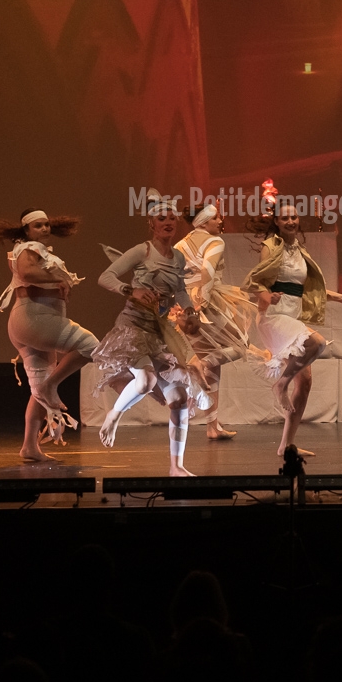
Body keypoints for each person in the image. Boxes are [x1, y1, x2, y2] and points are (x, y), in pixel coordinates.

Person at [93, 191, 208, 475]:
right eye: (161, 218)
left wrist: (190, 310)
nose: (168, 222)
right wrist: (130, 290)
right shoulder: (142, 251)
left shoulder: (178, 257)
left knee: (179, 399)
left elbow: (179, 290)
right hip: (133, 328)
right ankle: (114, 415)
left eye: (172, 218)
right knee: (146, 380)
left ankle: (176, 467)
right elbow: (105, 277)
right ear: (152, 224)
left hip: (159, 332)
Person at [244, 200, 342, 458]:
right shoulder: (270, 246)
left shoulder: (300, 250)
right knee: (317, 342)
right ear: (276, 222)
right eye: (285, 218)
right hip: (273, 316)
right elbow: (256, 281)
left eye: (294, 217)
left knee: (305, 382)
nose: (291, 222)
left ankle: (286, 445)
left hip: (291, 317)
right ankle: (280, 384)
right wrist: (268, 296)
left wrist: (339, 297)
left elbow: (306, 289)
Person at [0, 208, 95, 461]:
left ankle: (29, 447)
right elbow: (26, 273)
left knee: (39, 390)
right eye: (38, 225)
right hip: (36, 319)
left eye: (46, 224)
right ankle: (51, 385)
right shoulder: (28, 248)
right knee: (90, 346)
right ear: (26, 230)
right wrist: (58, 278)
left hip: (27, 323)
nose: (44, 228)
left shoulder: (30, 249)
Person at [175, 202, 263, 441]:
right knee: (240, 346)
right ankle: (198, 364)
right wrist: (201, 304)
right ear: (204, 222)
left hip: (183, 303)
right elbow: (207, 270)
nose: (220, 221)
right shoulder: (214, 241)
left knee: (214, 363)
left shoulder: (180, 245)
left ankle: (212, 426)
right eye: (216, 218)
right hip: (205, 302)